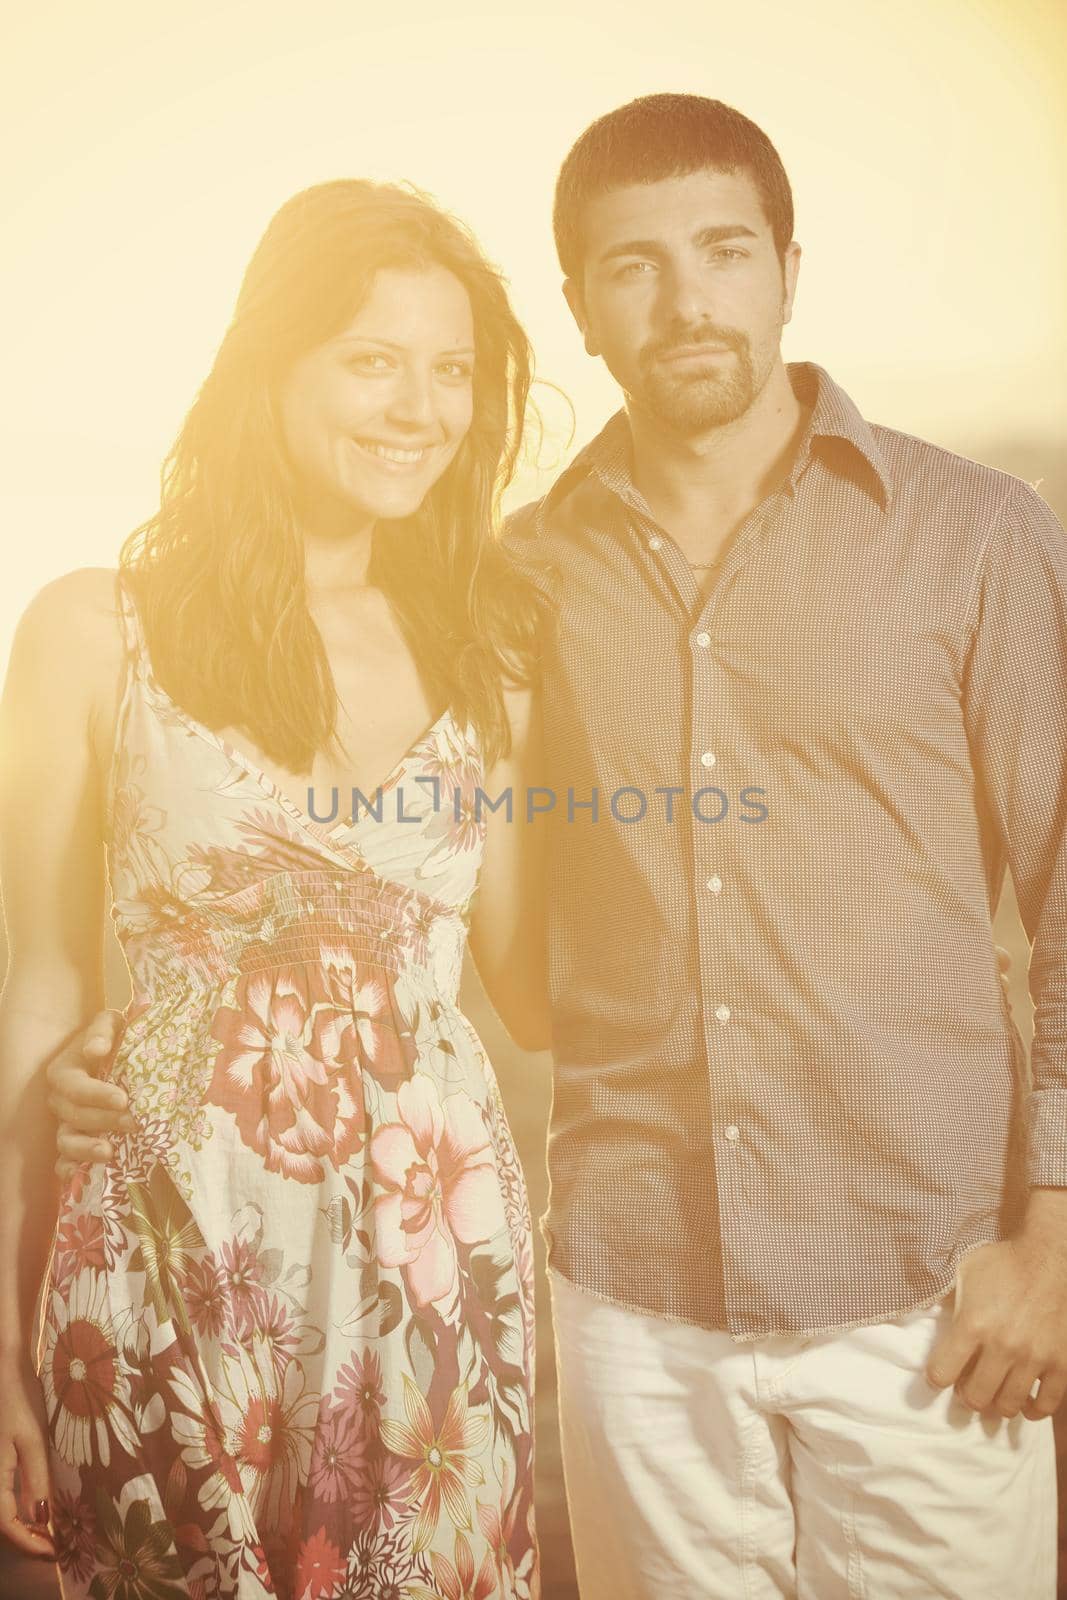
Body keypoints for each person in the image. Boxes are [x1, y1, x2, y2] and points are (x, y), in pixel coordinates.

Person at [42, 93, 1067, 1597]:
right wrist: (169, 1038)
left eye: (725, 250)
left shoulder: (970, 535)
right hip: (625, 1307)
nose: (688, 297)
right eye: (633, 265)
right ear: (581, 304)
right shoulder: (517, 586)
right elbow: (498, 954)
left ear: (791, 264)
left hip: (927, 1300)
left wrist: (1052, 1232)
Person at [0, 177, 549, 1599]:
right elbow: (42, 984)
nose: (419, 407)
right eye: (374, 358)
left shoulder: (491, 661)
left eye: (452, 372)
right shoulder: (88, 630)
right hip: (167, 1240)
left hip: (436, 1251)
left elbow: (537, 990)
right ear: (270, 363)